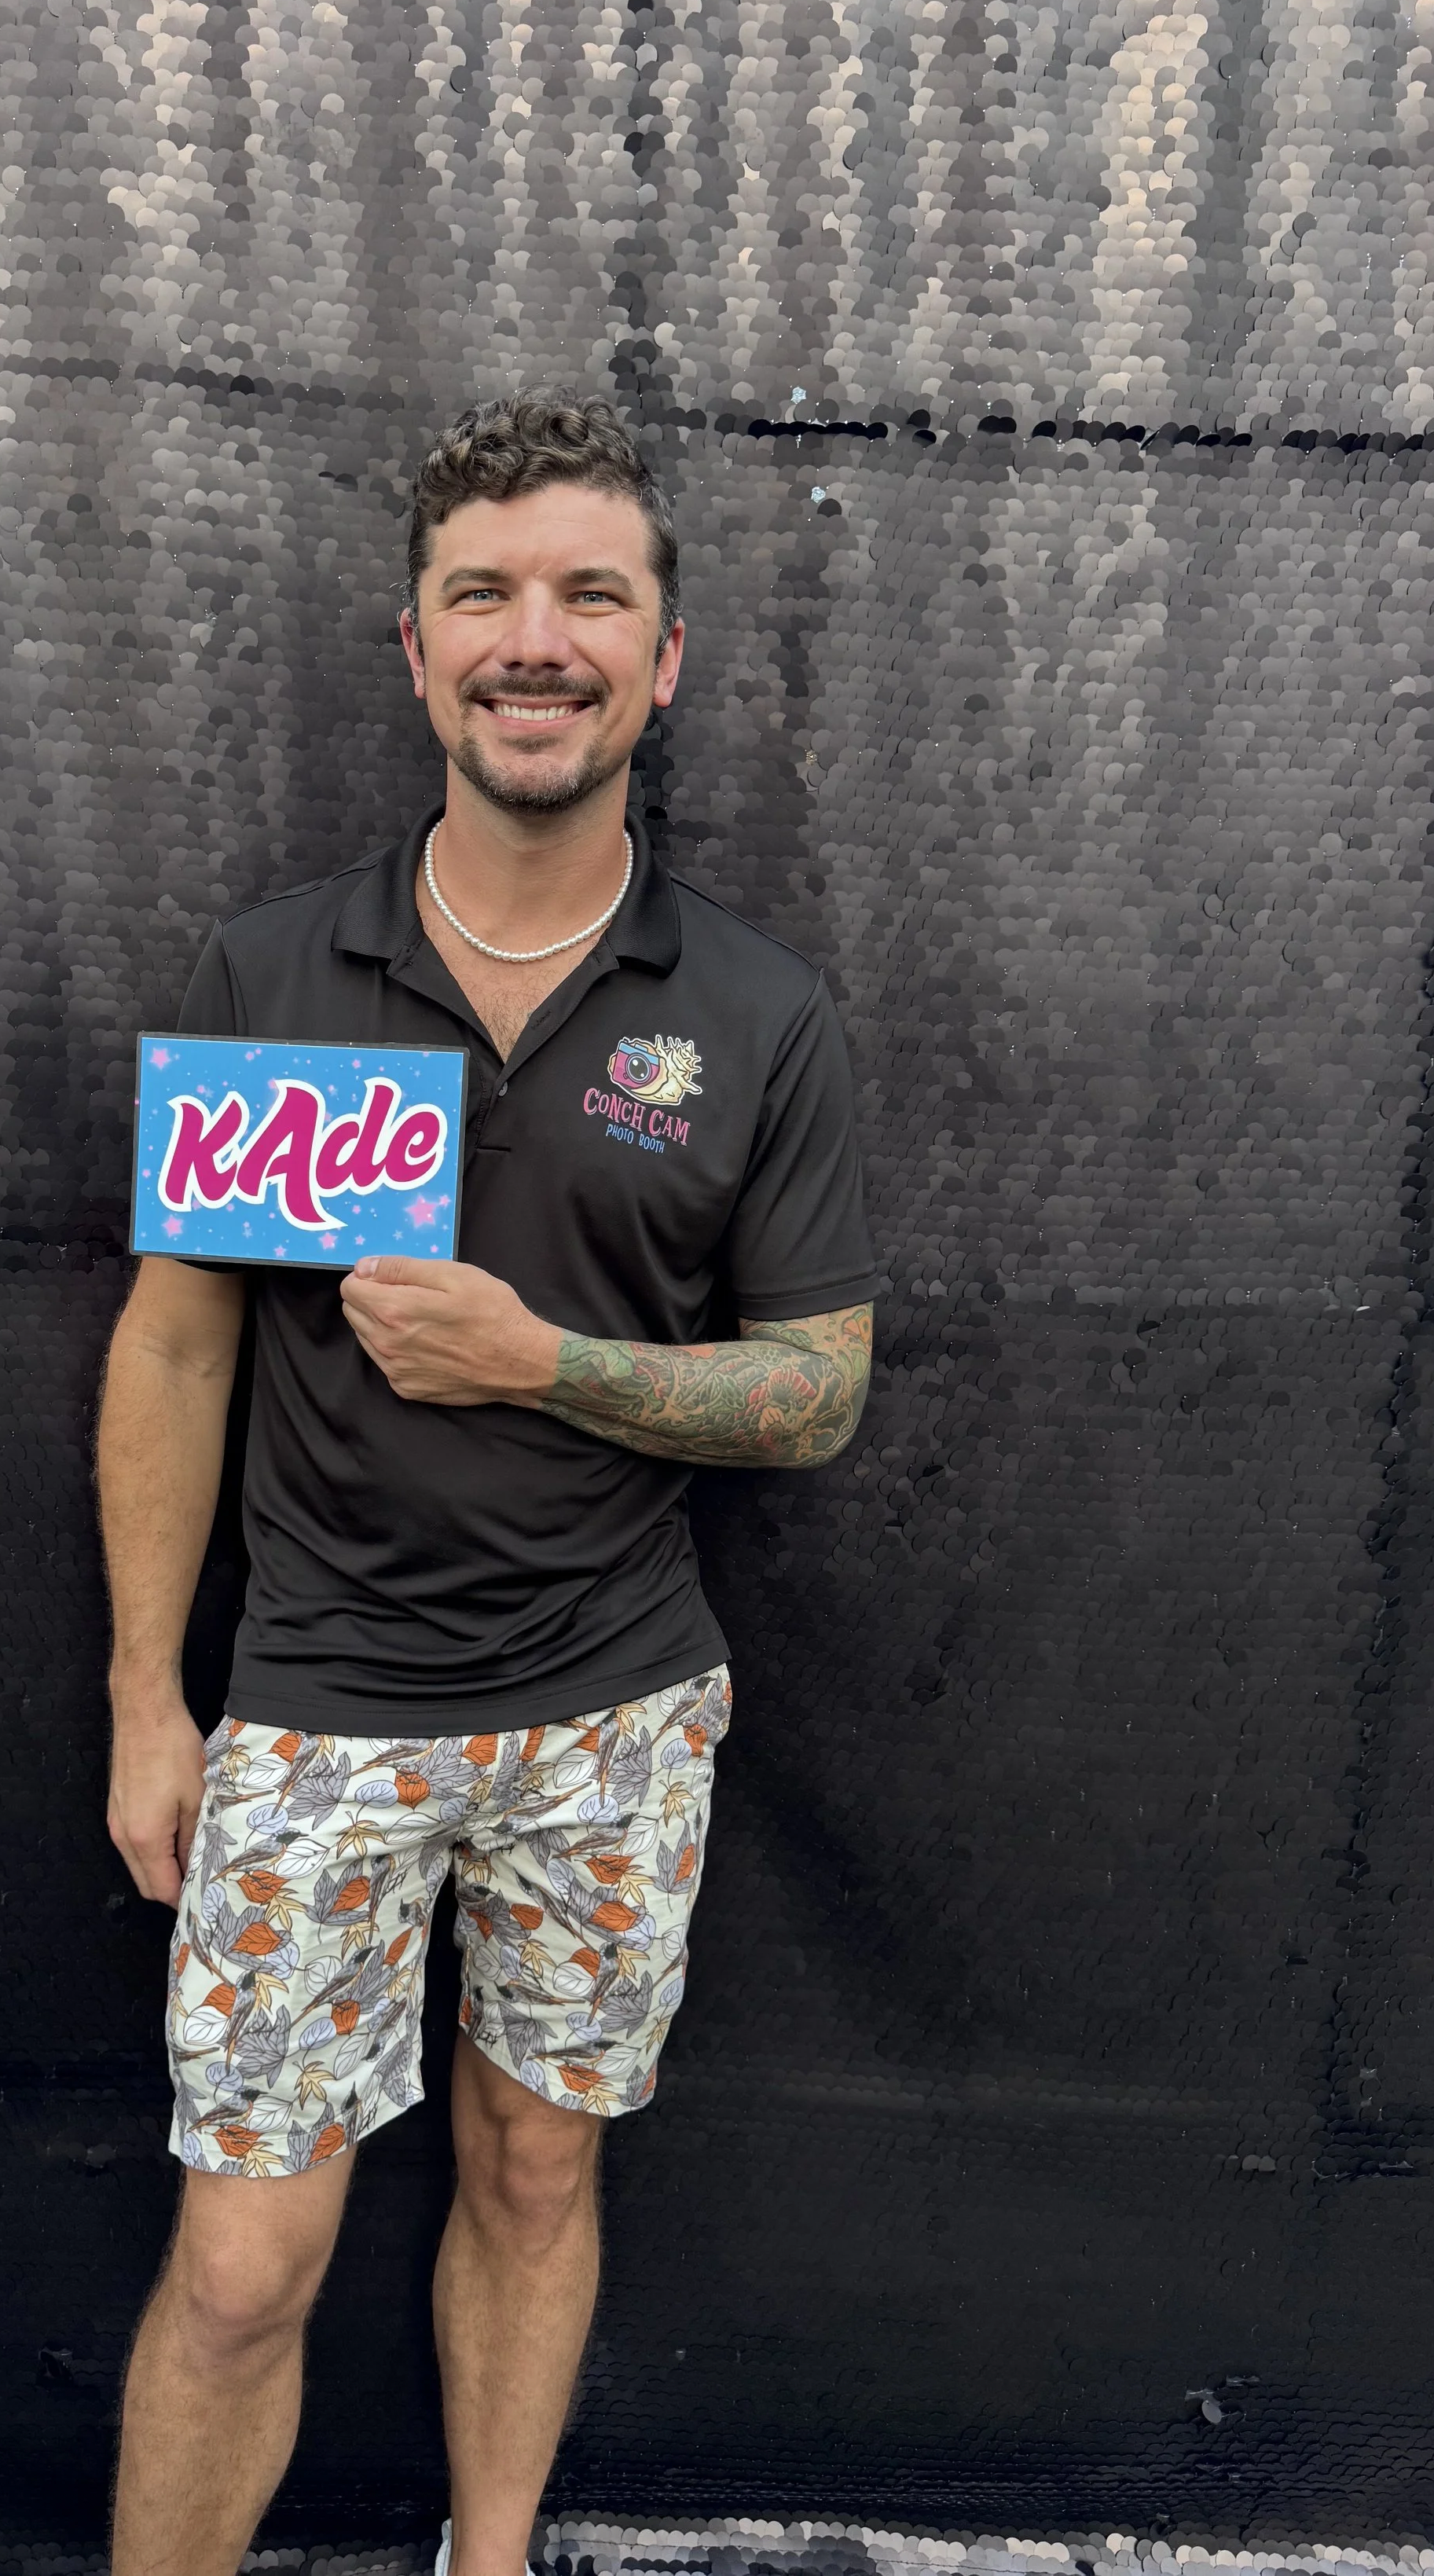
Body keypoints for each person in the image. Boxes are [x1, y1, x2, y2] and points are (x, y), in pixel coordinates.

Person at [96, 390, 884, 2576]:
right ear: (416, 648)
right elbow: (170, 1343)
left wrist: (538, 1360)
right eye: (484, 595)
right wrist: (147, 1697)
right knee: (246, 2259)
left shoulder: (747, 1010)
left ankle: (491, 2556)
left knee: (539, 2165)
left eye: (586, 596)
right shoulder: (281, 979)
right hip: (318, 1710)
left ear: (662, 656)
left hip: (613, 1713)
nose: (533, 639)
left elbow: (814, 1391)